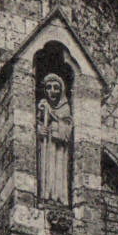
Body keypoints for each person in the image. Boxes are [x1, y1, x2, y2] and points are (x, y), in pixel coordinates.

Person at [36, 70, 72, 204]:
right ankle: (45, 194)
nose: (52, 91)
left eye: (56, 88)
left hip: (59, 149)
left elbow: (67, 128)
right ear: (45, 90)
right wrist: (39, 129)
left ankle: (58, 197)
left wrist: (54, 121)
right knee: (47, 169)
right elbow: (36, 123)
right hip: (46, 147)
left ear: (61, 90)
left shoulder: (65, 107)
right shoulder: (42, 107)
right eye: (49, 87)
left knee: (57, 171)